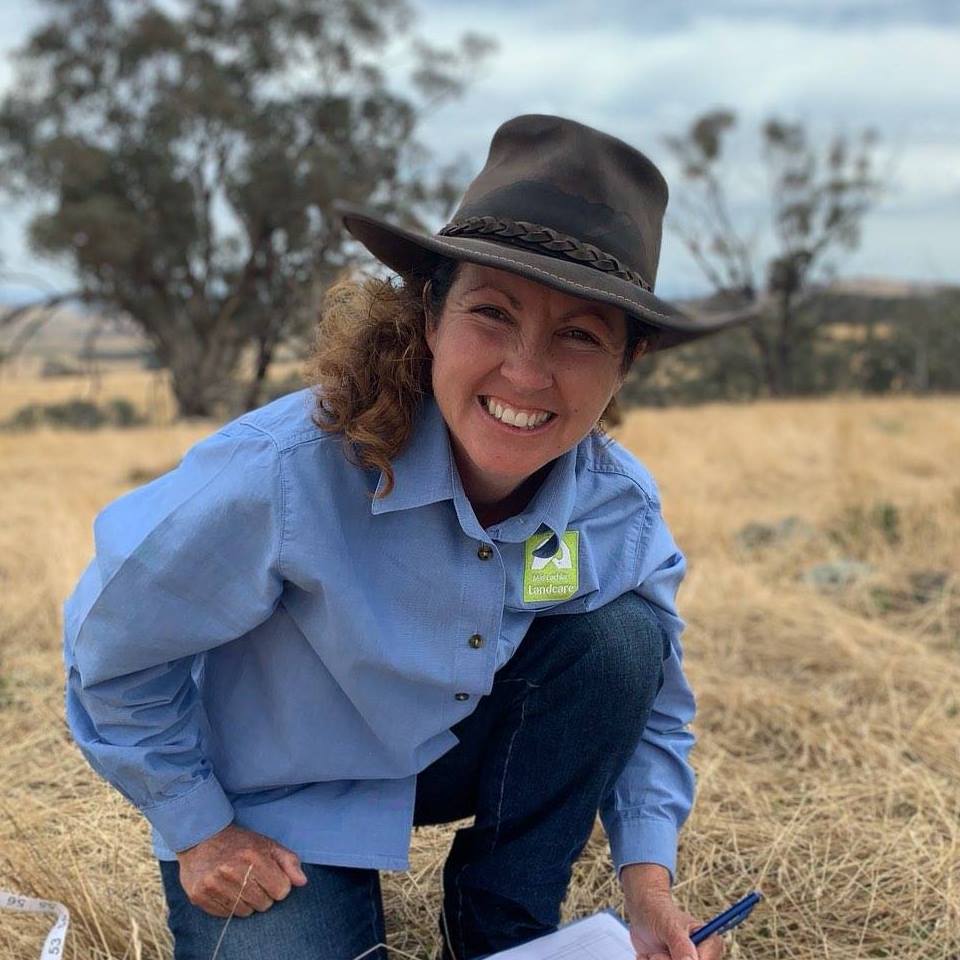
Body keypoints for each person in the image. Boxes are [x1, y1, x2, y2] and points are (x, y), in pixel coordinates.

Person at [63, 114, 742, 960]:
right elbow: (110, 643)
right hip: (277, 796)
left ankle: (499, 928)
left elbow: (650, 705)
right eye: (492, 314)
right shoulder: (286, 471)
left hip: (446, 758)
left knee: (624, 640)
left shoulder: (617, 507)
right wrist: (198, 825)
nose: (526, 372)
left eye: (579, 335)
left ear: (625, 365)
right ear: (430, 319)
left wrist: (648, 890)